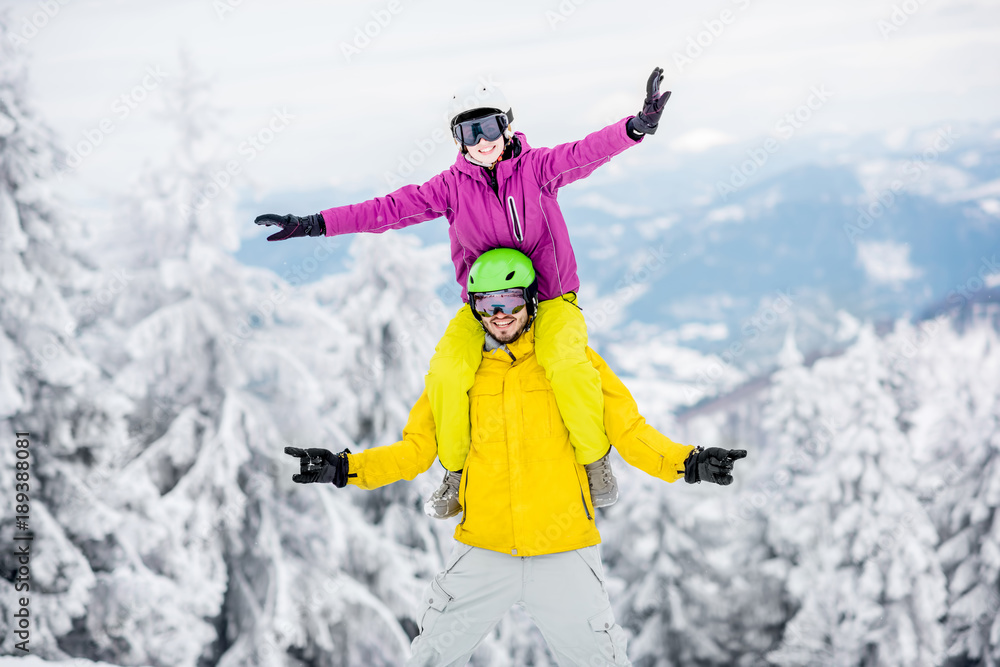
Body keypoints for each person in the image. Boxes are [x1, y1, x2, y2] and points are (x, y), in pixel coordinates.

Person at [285, 249, 747, 666]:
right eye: (486, 304)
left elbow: (628, 429)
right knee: (431, 657)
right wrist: (344, 467)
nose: (500, 315)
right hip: (483, 548)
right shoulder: (460, 376)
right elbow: (416, 449)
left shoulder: (570, 362)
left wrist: (689, 462)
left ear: (530, 300)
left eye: (509, 301)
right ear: (473, 308)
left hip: (563, 548)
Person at [258, 67, 673, 517]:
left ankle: (595, 461)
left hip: (551, 300)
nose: (482, 140)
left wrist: (635, 127)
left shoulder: (538, 170)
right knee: (448, 373)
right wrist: (315, 224)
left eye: (489, 126)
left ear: (507, 125)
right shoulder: (451, 188)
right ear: (457, 138)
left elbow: (584, 153)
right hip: (482, 309)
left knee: (566, 364)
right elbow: (387, 210)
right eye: (468, 130)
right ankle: (455, 474)